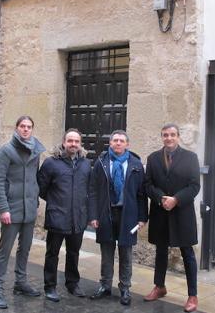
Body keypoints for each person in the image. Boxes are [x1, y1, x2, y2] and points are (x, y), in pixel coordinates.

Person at [143, 123, 201, 313]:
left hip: (182, 213)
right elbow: (148, 184)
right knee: (160, 251)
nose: (169, 138)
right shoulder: (152, 158)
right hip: (160, 212)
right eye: (165, 135)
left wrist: (176, 199)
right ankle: (159, 286)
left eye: (172, 135)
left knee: (187, 254)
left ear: (178, 137)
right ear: (162, 137)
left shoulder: (190, 158)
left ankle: (192, 295)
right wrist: (161, 198)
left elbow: (194, 186)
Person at [0, 116, 46, 310]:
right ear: (16, 128)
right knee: (4, 251)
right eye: (22, 126)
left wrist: (35, 199)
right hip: (11, 210)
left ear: (32, 129)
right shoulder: (6, 151)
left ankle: (20, 283)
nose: (25, 130)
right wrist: (3, 209)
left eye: (29, 127)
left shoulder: (35, 151)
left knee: (25, 249)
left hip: (29, 208)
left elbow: (34, 179)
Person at [88, 130, 148, 306]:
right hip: (106, 213)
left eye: (122, 141)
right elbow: (93, 191)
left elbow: (142, 194)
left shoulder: (136, 165)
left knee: (126, 254)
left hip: (128, 215)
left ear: (127, 144)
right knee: (106, 253)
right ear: (110, 143)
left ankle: (125, 288)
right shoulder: (101, 163)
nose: (118, 143)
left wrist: (142, 217)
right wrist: (93, 215)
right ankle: (105, 285)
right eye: (115, 140)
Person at [37, 129, 92, 302]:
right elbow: (42, 188)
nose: (73, 144)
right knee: (52, 253)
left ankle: (72, 283)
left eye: (76, 141)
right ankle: (50, 286)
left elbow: (88, 189)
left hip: (78, 217)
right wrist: (56, 202)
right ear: (63, 142)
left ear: (80, 143)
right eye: (70, 141)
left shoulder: (85, 164)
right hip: (58, 216)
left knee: (73, 252)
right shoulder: (51, 163)